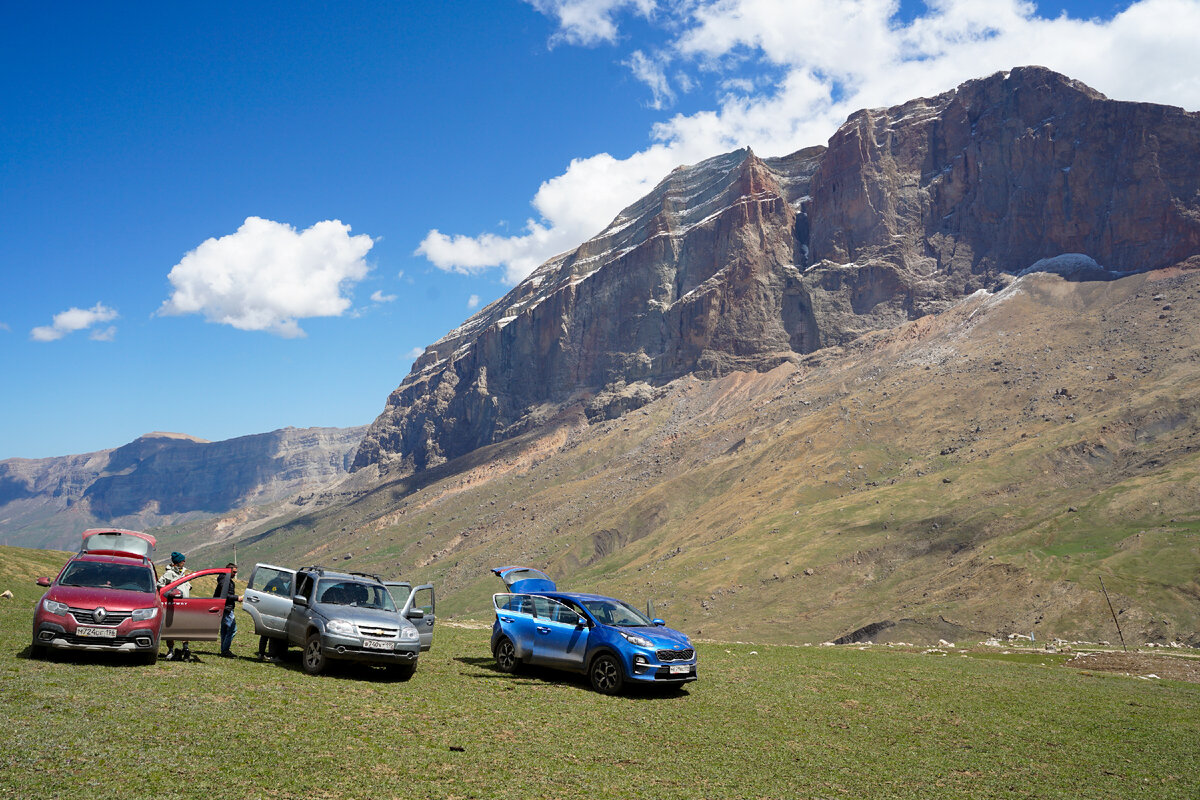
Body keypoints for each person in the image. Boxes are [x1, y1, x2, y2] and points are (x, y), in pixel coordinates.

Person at [157, 552, 191, 661]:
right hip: (173, 605)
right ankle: (170, 650)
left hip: (184, 605)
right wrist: (170, 591)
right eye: (182, 561)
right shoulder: (169, 574)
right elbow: (159, 584)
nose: (184, 562)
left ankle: (185, 648)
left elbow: (187, 584)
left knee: (185, 627)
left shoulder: (184, 573)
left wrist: (188, 586)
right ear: (177, 562)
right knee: (171, 628)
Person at [257, 572, 291, 662]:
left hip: (267, 609)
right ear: (283, 576)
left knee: (264, 634)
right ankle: (272, 655)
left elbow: (264, 592)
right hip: (275, 612)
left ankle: (261, 653)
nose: (289, 580)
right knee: (273, 635)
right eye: (288, 578)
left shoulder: (271, 582)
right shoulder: (281, 587)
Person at [214, 562, 242, 657]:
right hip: (226, 608)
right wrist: (237, 598)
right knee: (232, 629)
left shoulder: (225, 580)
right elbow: (225, 595)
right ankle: (225, 650)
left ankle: (224, 650)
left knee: (224, 630)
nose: (235, 574)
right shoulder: (225, 581)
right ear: (229, 571)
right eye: (234, 572)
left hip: (224, 607)